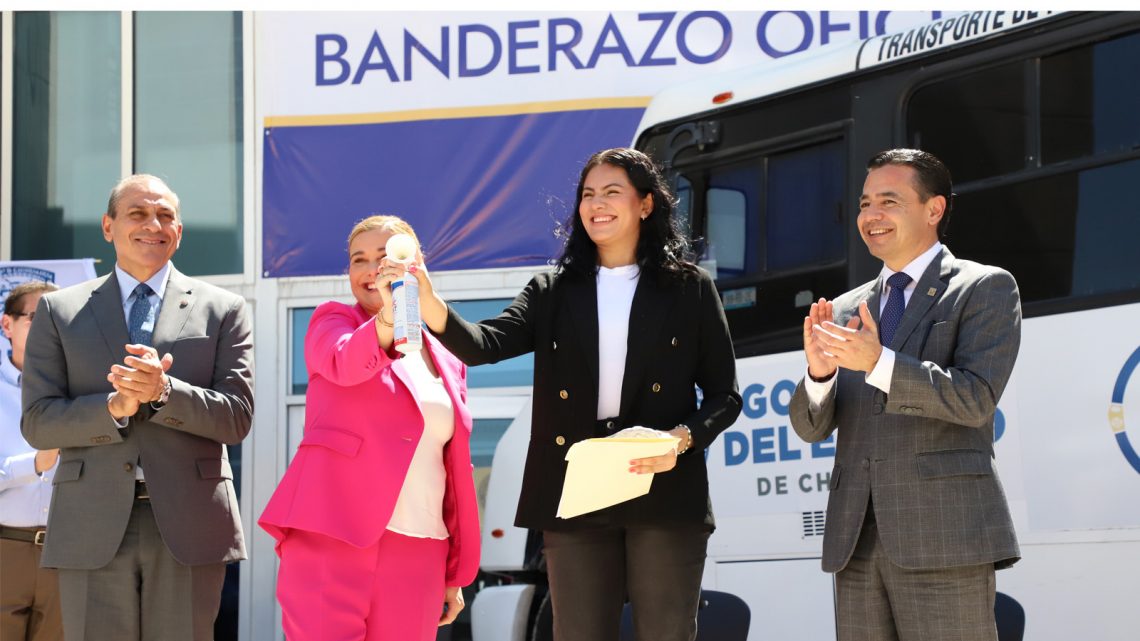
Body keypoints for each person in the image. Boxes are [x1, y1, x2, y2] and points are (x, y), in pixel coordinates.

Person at [400, 148, 742, 641]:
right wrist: (429, 302)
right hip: (574, 487)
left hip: (663, 485)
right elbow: (482, 345)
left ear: (646, 204)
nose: (596, 205)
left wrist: (680, 439)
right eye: (587, 194)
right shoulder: (552, 289)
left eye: (611, 192)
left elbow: (724, 396)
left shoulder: (690, 288)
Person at [789, 148, 1021, 641]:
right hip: (856, 540)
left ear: (934, 209)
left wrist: (878, 362)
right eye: (864, 203)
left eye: (888, 201)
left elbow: (975, 398)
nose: (870, 215)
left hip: (944, 535)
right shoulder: (847, 308)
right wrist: (820, 374)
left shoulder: (983, 287)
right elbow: (810, 428)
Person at [21, 174, 254, 641]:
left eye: (165, 216)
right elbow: (39, 422)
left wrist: (165, 393)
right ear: (108, 226)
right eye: (138, 214)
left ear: (179, 232)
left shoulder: (224, 308)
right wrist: (114, 406)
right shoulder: (59, 311)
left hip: (190, 523)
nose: (153, 225)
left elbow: (236, 417)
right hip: (90, 523)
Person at [258, 215, 480, 641]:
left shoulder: (449, 357)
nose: (371, 269)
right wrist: (389, 320)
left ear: (415, 262)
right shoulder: (333, 321)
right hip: (333, 534)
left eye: (385, 256)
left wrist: (454, 573)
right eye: (358, 259)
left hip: (421, 547)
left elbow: (451, 467)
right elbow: (343, 362)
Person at [1, 281, 62, 641]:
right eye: (36, 317)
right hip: (5, 549)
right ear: (6, 324)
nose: (47, 327)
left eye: (57, 319)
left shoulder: (82, 392)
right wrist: (36, 463)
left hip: (66, 554)